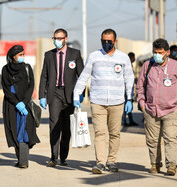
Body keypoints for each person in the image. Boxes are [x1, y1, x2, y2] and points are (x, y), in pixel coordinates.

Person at [73, 28, 134, 174]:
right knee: (100, 133)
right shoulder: (94, 56)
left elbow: (129, 78)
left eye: (109, 41)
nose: (106, 44)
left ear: (115, 41)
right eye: (103, 41)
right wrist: (76, 94)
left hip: (117, 101)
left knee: (114, 134)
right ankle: (100, 162)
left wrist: (129, 98)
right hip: (98, 101)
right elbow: (84, 76)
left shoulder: (123, 58)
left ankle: (111, 161)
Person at [137, 38, 177, 176]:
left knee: (170, 138)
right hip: (151, 110)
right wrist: (142, 104)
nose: (157, 55)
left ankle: (171, 164)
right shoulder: (147, 66)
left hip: (171, 110)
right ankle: (155, 164)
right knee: (152, 140)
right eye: (155, 52)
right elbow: (140, 86)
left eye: (160, 52)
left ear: (167, 52)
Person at [39, 28, 84, 166]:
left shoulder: (75, 54)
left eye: (59, 38)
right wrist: (42, 95)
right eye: (55, 39)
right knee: (54, 126)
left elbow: (82, 75)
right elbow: (44, 76)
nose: (57, 41)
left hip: (70, 95)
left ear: (66, 38)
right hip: (55, 94)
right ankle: (53, 157)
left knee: (66, 127)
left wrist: (81, 94)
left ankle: (63, 157)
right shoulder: (48, 55)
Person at [1, 45, 40, 168]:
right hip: (11, 105)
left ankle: (23, 159)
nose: (23, 57)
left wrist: (23, 102)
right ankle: (21, 159)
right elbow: (6, 89)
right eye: (20, 55)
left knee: (26, 131)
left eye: (24, 54)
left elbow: (31, 85)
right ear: (13, 57)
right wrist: (16, 103)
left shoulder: (27, 68)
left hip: (25, 104)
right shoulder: (5, 69)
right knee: (14, 131)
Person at [122, 52, 138, 126]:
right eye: (133, 57)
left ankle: (130, 120)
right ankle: (123, 121)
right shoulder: (125, 65)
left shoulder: (130, 65)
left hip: (129, 88)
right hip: (125, 89)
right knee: (125, 106)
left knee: (129, 105)